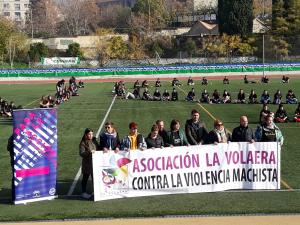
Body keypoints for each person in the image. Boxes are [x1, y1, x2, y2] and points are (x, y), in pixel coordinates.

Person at [79, 128, 100, 199]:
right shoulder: (83, 143)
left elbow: (98, 148)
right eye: (89, 134)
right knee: (85, 178)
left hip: (95, 163)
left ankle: (96, 191)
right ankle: (83, 192)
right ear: (86, 134)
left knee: (95, 178)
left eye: (92, 134)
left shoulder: (94, 140)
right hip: (87, 164)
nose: (91, 135)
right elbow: (81, 153)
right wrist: (89, 152)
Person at [7, 134, 15, 202]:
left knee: (15, 178)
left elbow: (8, 148)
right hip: (16, 162)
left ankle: (14, 196)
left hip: (14, 161)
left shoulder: (11, 137)